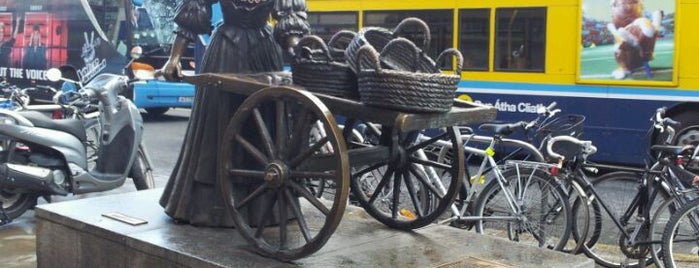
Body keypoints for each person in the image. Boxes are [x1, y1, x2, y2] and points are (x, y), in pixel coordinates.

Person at [159, 0, 310, 227]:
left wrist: (294, 47)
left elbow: (289, 17)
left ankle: (266, 206)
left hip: (264, 54)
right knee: (218, 125)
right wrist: (174, 58)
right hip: (225, 53)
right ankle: (213, 208)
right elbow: (193, 9)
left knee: (264, 128)